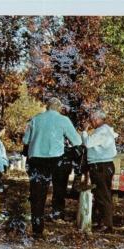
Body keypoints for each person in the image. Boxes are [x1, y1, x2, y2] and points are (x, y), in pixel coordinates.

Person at [22, 97, 82, 238]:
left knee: (37, 195)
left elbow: (25, 140)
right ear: (59, 108)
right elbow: (77, 141)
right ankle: (57, 214)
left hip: (36, 160)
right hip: (56, 160)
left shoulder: (35, 119)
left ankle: (37, 228)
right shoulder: (63, 120)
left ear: (47, 107)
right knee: (59, 188)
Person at [82, 108, 118, 233]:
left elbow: (87, 143)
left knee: (103, 195)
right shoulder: (104, 130)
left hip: (101, 165)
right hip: (102, 165)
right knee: (100, 194)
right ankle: (102, 221)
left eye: (92, 119)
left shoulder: (102, 131)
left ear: (97, 119)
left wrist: (85, 131)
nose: (90, 122)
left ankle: (107, 225)